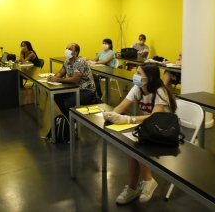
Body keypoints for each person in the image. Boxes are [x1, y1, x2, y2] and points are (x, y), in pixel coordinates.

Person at [102, 63, 177, 204]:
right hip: (150, 128)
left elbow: (155, 117)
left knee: (137, 143)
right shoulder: (138, 88)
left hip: (165, 131)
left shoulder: (160, 91)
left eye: (139, 73)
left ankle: (148, 181)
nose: (135, 76)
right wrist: (111, 114)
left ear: (150, 77)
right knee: (131, 144)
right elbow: (122, 105)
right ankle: (133, 187)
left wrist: (130, 119)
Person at [48, 43, 97, 118]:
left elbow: (75, 80)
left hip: (86, 90)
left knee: (68, 102)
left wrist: (57, 79)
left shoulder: (80, 61)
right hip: (74, 88)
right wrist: (52, 78)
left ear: (76, 52)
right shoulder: (67, 61)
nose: (67, 50)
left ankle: (72, 120)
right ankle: (69, 118)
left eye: (70, 49)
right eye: (66, 48)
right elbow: (61, 73)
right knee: (56, 95)